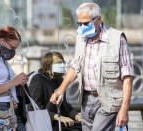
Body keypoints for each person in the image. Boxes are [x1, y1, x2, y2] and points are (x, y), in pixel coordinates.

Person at [50, 2, 134, 131]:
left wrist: (124, 108)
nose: (82, 27)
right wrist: (61, 90)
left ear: (98, 19)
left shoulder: (117, 39)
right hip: (86, 100)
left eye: (85, 23)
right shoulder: (81, 37)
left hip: (108, 100)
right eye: (79, 23)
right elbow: (75, 67)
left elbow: (127, 76)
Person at [28, 51, 82, 131]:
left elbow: (65, 106)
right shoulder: (38, 80)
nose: (62, 65)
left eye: (63, 63)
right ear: (48, 65)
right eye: (58, 63)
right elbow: (34, 108)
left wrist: (77, 116)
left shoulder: (60, 80)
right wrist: (57, 117)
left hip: (57, 123)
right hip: (44, 124)